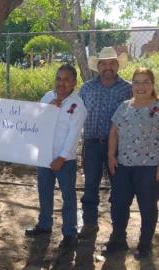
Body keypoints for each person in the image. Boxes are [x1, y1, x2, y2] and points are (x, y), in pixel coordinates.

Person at [25, 64, 87, 249]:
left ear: (74, 83)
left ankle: (69, 232)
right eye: (59, 78)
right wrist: (48, 108)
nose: (62, 83)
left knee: (68, 196)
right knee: (44, 192)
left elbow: (73, 135)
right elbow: (34, 121)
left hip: (64, 161)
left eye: (67, 79)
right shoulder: (47, 96)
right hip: (44, 156)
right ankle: (44, 225)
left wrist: (61, 157)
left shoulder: (78, 106)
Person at [79, 47, 132, 238]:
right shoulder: (86, 88)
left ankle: (118, 231)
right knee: (90, 186)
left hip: (119, 147)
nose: (108, 67)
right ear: (98, 66)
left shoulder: (128, 89)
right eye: (103, 63)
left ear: (117, 65)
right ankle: (89, 224)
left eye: (111, 63)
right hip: (92, 144)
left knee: (119, 188)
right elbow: (76, 114)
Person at [106, 67, 159, 258]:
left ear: (152, 85)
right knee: (118, 204)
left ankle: (145, 245)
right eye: (136, 82)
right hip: (123, 166)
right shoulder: (124, 106)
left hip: (149, 168)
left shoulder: (157, 107)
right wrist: (111, 155)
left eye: (146, 82)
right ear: (132, 85)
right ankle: (118, 239)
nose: (141, 86)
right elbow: (114, 131)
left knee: (148, 207)